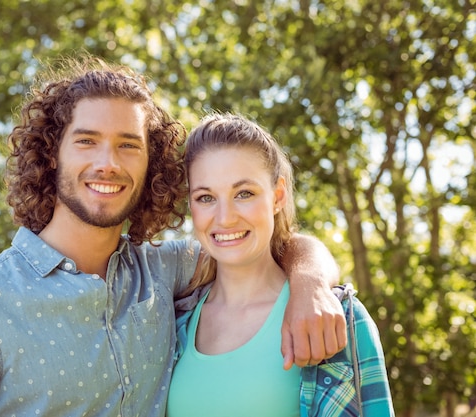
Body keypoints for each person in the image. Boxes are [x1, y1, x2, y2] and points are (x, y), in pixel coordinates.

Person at [0, 56, 346, 417]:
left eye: (128, 145)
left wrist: (310, 285)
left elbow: (265, 244)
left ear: (150, 164)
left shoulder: (163, 272)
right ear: (51, 155)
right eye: (86, 141)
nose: (108, 163)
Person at [167, 113, 394, 416]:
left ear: (278, 196)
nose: (225, 218)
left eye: (244, 193)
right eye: (206, 197)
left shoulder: (337, 318)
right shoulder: (173, 321)